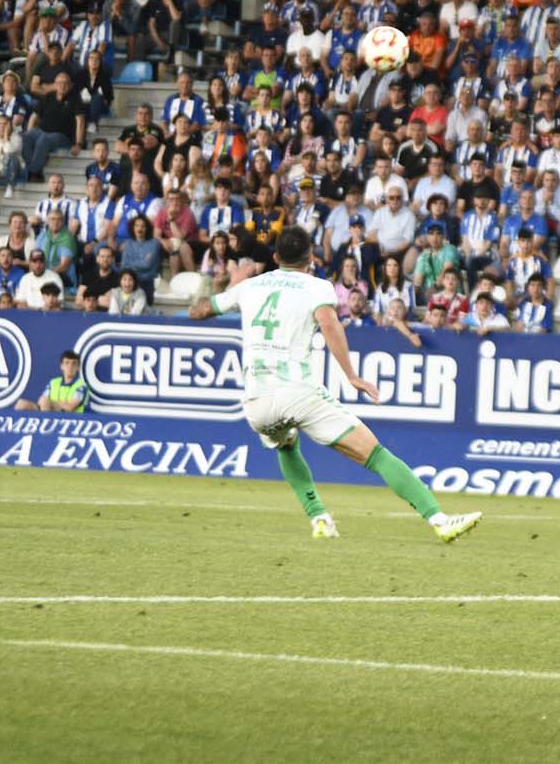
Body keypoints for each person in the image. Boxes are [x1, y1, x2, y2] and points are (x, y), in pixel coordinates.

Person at [189, 226, 481, 542]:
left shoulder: (249, 287)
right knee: (376, 454)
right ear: (311, 258)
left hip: (256, 403)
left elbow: (199, 311)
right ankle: (439, 519)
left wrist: (231, 284)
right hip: (296, 392)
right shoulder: (317, 287)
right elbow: (329, 324)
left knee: (285, 443)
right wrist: (352, 376)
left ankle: (319, 519)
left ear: (275, 257)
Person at [14, 349, 88, 413]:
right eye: (67, 363)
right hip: (51, 411)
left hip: (71, 419)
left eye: (74, 364)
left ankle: (43, 427)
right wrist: (60, 402)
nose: (70, 367)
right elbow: (42, 401)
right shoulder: (54, 382)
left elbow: (70, 407)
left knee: (46, 402)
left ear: (78, 367)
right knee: (22, 404)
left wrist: (52, 403)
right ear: (61, 366)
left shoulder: (81, 385)